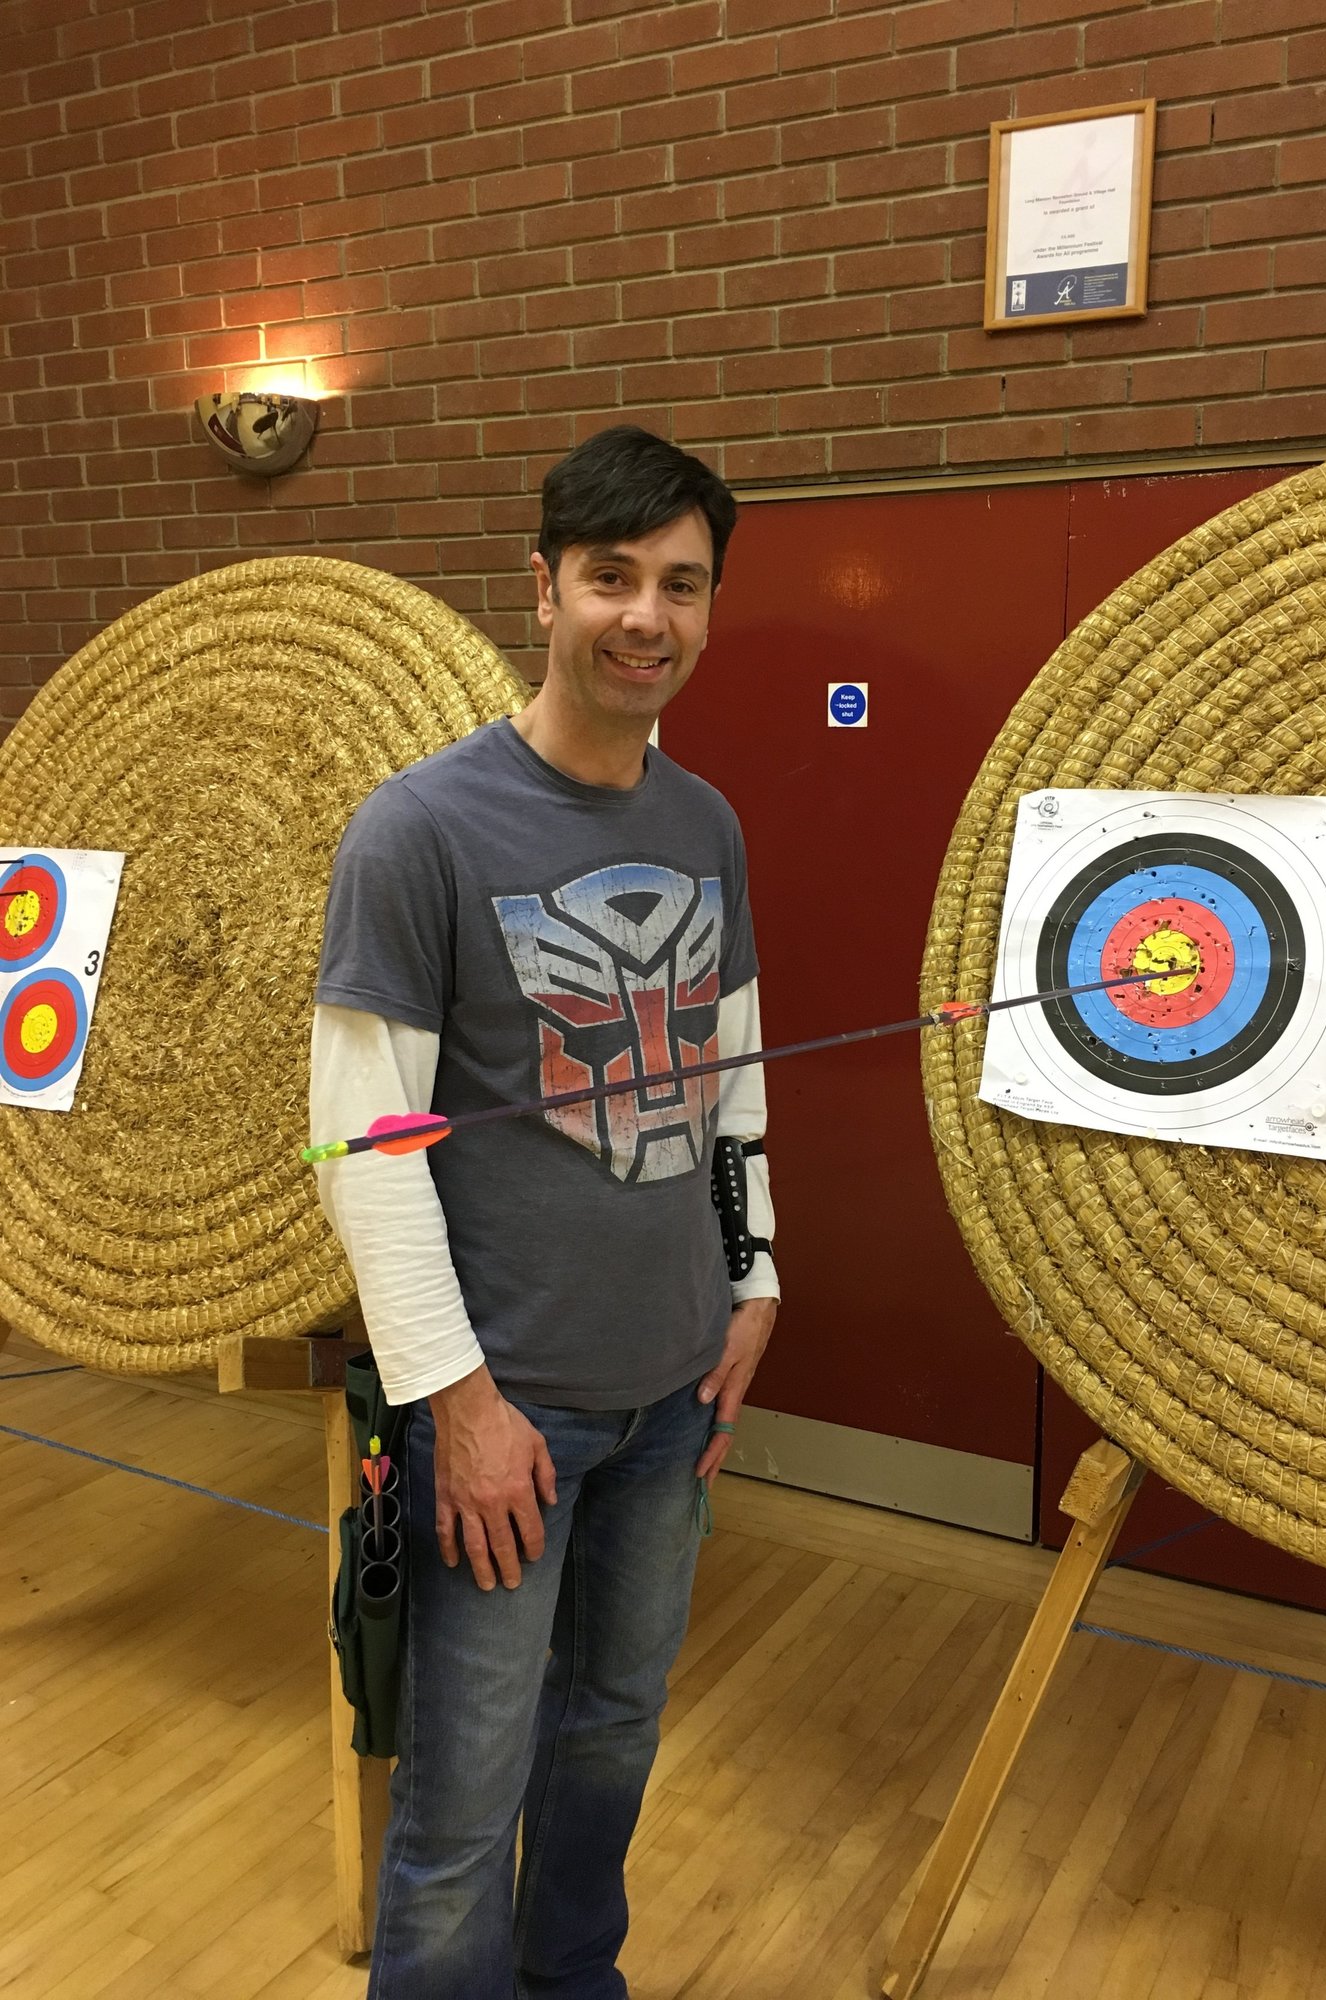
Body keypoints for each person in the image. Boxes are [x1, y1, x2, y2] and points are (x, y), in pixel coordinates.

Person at [310, 425, 779, 1999]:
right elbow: (366, 1149)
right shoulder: (419, 833)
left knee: (612, 1745)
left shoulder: (706, 822)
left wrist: (755, 1274)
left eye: (682, 584)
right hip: (507, 1409)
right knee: (461, 1800)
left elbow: (732, 1079)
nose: (648, 617)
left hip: (672, 1393)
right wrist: (460, 1400)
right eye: (612, 579)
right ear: (545, 588)